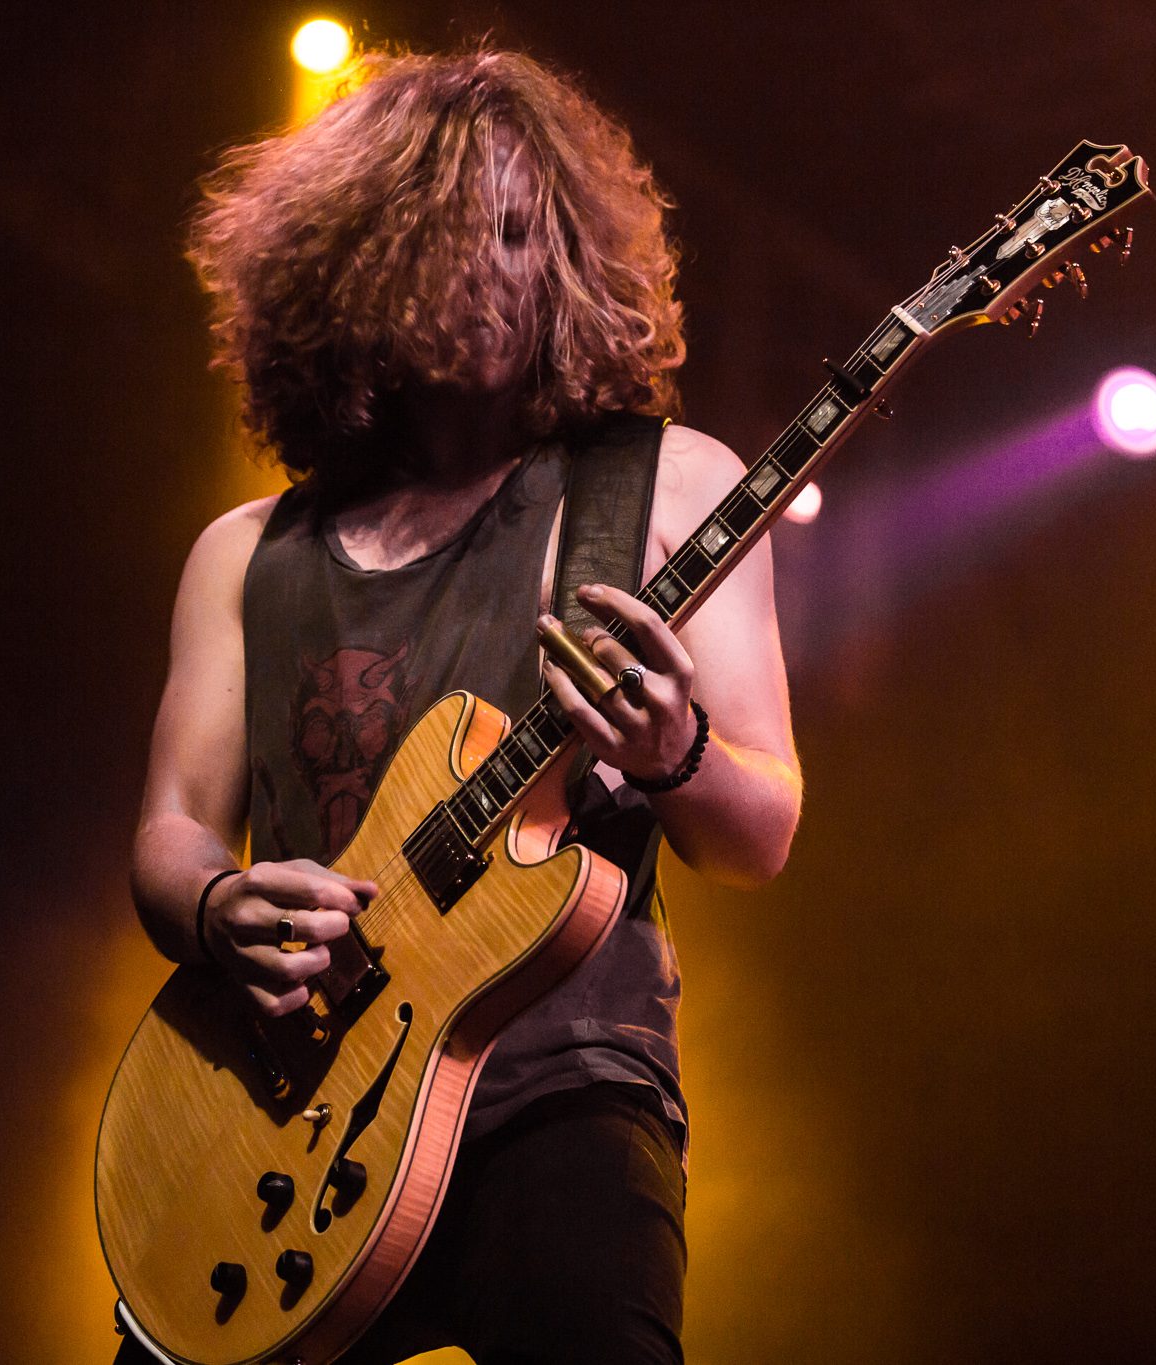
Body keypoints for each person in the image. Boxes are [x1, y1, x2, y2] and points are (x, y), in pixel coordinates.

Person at [126, 48, 800, 1365]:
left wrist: (678, 753)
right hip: (288, 1118)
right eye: (452, 234)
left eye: (522, 232)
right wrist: (216, 906)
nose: (496, 270)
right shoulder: (246, 554)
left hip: (561, 1087)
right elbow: (169, 828)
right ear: (354, 261)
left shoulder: (667, 487)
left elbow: (761, 831)